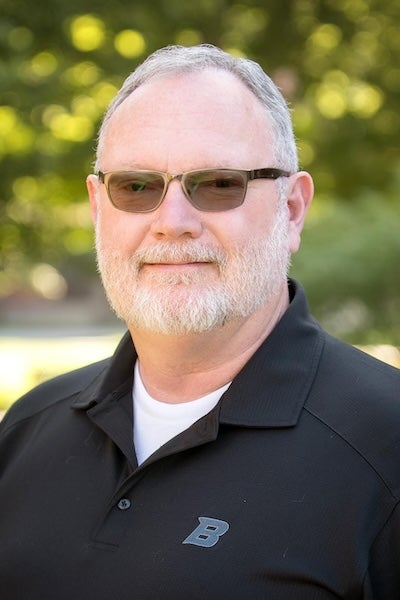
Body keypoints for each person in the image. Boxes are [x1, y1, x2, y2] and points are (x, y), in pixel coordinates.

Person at [0, 44, 399, 600]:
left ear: (291, 210)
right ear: (97, 207)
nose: (173, 223)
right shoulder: (24, 432)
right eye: (136, 187)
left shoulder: (388, 443)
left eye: (217, 184)